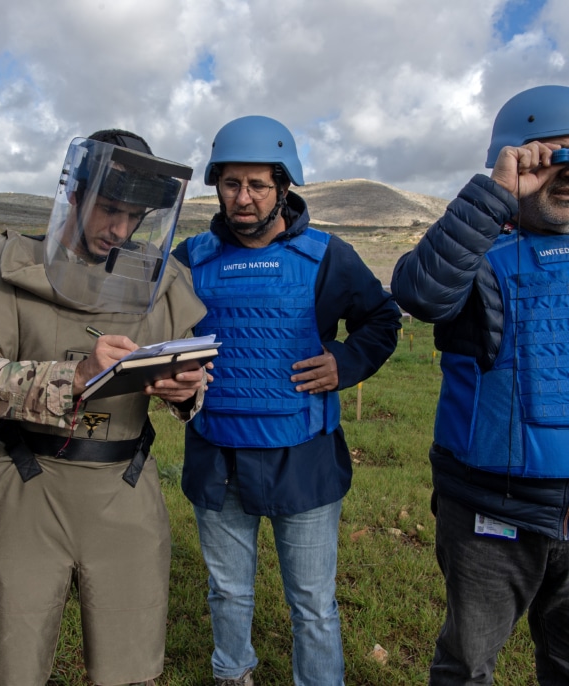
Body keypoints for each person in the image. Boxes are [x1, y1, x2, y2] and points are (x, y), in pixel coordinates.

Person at [0, 129, 207, 686]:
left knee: (131, 669)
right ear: (75, 195)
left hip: (125, 489)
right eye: (109, 209)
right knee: (11, 665)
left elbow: (190, 373)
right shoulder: (7, 268)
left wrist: (188, 392)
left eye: (133, 216)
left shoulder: (162, 283)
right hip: (25, 486)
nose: (120, 230)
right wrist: (76, 376)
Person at [172, 115, 402, 686]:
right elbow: (159, 335)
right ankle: (232, 673)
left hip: (304, 456)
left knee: (313, 602)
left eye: (257, 185)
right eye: (231, 184)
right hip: (217, 454)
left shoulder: (328, 256)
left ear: (283, 186)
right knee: (228, 589)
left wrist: (345, 362)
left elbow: (381, 319)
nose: (243, 197)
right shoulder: (189, 258)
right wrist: (173, 373)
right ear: (216, 186)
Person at [391, 85, 569, 685]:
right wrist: (497, 193)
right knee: (467, 666)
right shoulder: (478, 256)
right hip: (491, 509)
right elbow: (419, 292)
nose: (565, 173)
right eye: (552, 157)